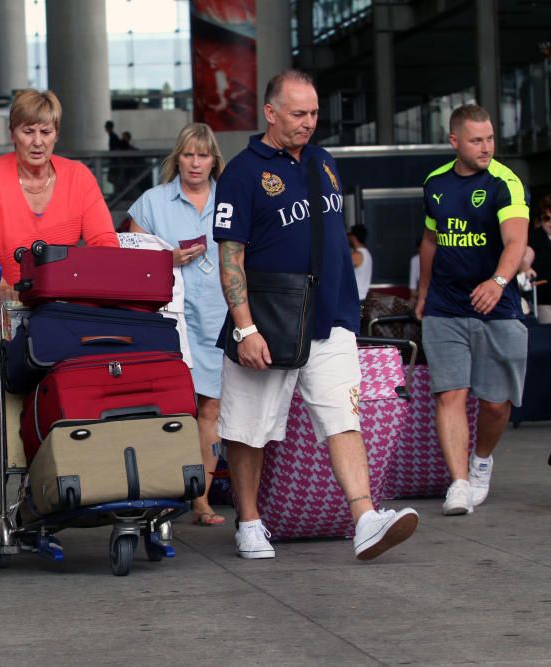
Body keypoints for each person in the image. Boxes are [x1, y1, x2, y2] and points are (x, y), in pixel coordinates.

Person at [213, 70, 418, 561]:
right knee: (249, 429)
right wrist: (245, 328)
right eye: (298, 114)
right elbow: (229, 258)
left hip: (330, 321)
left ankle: (365, 517)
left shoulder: (324, 162)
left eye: (313, 114)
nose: (309, 123)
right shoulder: (242, 173)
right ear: (271, 112)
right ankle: (249, 521)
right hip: (268, 324)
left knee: (344, 418)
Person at [0, 88, 119, 543]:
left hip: (61, 313)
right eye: (27, 130)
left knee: (63, 404)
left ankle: (50, 495)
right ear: (13, 133)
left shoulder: (78, 177)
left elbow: (104, 243)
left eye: (45, 131)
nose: (37, 140)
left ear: (56, 134)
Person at [416, 103, 530, 516]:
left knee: (496, 403)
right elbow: (431, 240)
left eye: (490, 139)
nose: (486, 147)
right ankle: (459, 481)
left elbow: (516, 242)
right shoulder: (435, 183)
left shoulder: (506, 182)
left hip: (497, 308)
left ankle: (482, 460)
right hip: (445, 306)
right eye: (477, 140)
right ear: (455, 141)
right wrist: (423, 293)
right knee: (450, 393)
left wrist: (498, 282)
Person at [127, 122, 228, 526]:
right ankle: (157, 494)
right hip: (168, 321)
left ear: (214, 160)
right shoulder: (152, 202)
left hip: (220, 318)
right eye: (189, 154)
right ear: (177, 158)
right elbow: (128, 256)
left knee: (212, 409)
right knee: (168, 409)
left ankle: (201, 500)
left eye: (203, 155)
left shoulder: (230, 199)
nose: (196, 163)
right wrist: (165, 259)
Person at [527, 194, 551, 323]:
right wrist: (526, 268)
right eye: (546, 218)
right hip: (544, 300)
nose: (550, 222)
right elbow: (526, 256)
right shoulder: (535, 237)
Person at [348, 223, 373, 301]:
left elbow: (339, 271)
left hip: (355, 298)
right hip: (362, 298)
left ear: (353, 237)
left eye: (349, 235)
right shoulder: (367, 253)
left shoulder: (356, 255)